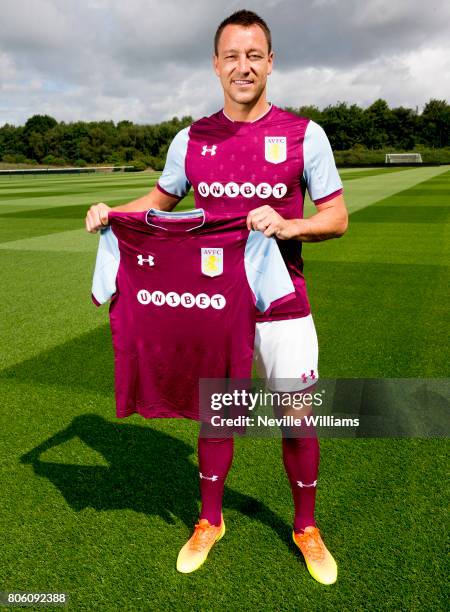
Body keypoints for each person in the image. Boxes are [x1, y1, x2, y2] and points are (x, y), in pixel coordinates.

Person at [85, 9, 348, 585]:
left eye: (254, 55)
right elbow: (157, 202)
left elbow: (337, 217)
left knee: (298, 416)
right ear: (215, 64)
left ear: (271, 63)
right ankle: (210, 519)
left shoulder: (306, 135)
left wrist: (287, 225)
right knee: (217, 417)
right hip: (212, 309)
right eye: (232, 55)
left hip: (283, 304)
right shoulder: (190, 139)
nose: (243, 66)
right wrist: (112, 213)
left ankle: (306, 526)